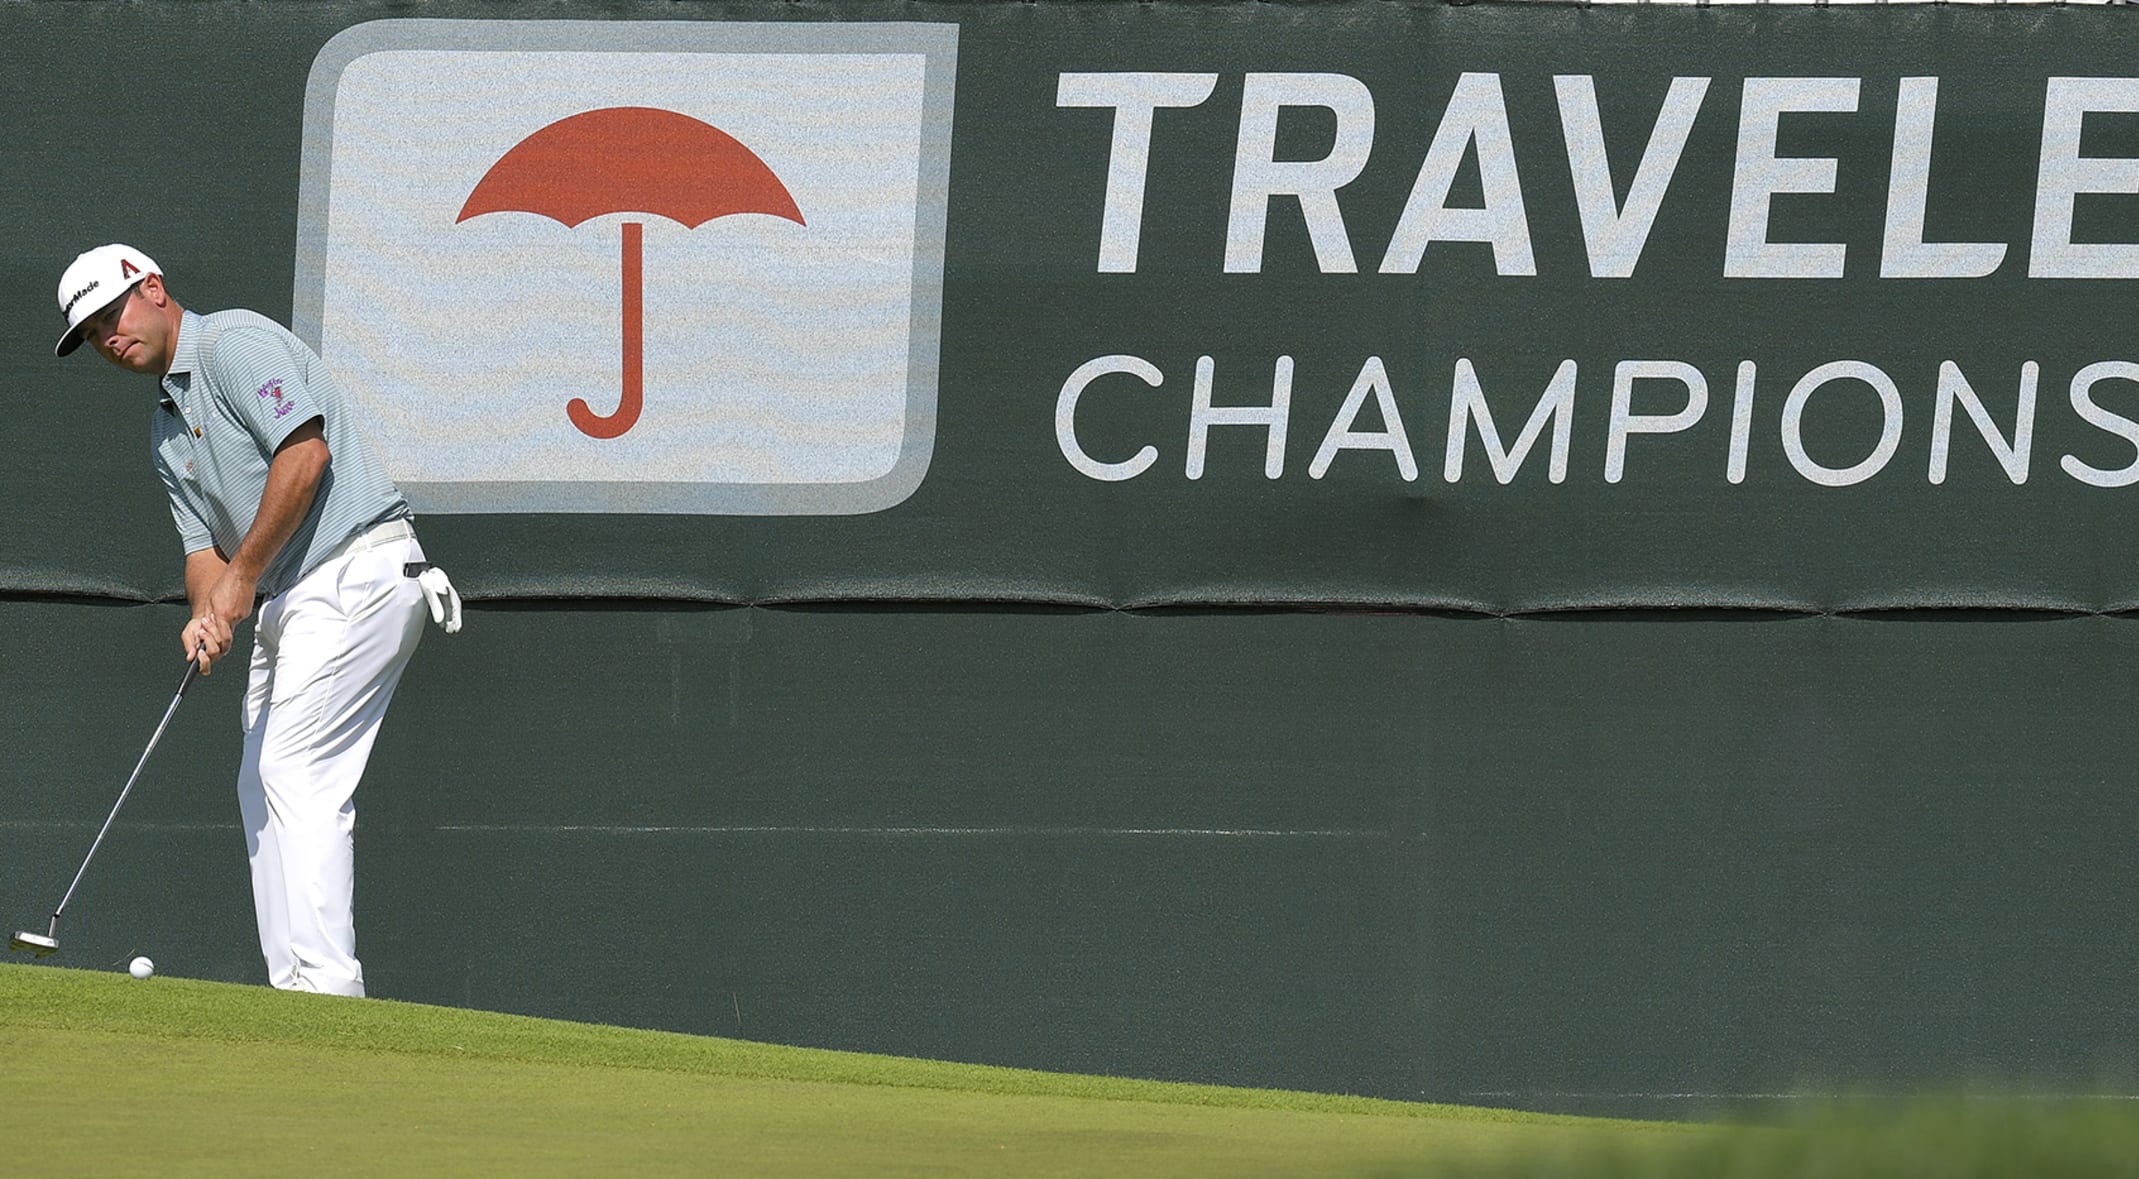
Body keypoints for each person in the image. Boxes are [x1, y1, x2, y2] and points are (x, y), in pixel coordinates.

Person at [53, 243, 461, 997]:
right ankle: (293, 997)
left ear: (153, 288)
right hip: (293, 596)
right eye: (91, 333)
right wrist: (211, 608)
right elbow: (202, 552)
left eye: (112, 314)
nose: (109, 338)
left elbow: (304, 457)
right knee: (258, 780)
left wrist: (240, 581)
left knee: (294, 771)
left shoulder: (235, 343)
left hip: (356, 568)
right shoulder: (165, 430)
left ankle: (330, 994)